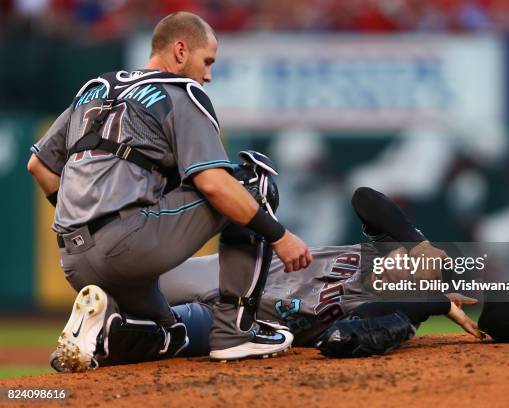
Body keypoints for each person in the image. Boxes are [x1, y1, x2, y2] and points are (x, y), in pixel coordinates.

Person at [27, 11, 312, 371]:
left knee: (167, 333)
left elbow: (39, 167)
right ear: (181, 50)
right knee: (250, 182)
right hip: (127, 246)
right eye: (207, 61)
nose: (208, 74)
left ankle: (103, 332)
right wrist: (279, 236)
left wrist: (84, 224)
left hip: (74, 260)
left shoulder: (94, 88)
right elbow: (214, 185)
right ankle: (236, 332)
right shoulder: (181, 92)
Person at [50, 186, 483, 371]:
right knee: (133, 286)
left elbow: (347, 335)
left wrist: (435, 304)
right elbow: (364, 198)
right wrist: (414, 241)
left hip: (248, 321)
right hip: (239, 271)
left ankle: (101, 337)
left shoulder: (393, 313)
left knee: (174, 329)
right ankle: (100, 320)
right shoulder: (379, 249)